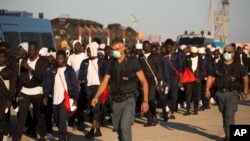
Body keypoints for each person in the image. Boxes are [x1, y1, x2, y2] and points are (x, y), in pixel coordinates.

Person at [91, 38, 149, 141]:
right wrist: (96, 96)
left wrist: (145, 101)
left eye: (117, 49)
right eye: (113, 50)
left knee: (125, 127)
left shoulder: (133, 62)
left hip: (129, 100)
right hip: (115, 101)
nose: (115, 52)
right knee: (118, 129)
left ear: (123, 48)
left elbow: (144, 81)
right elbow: (104, 81)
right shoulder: (111, 63)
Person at [205, 44, 249, 141]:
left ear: (233, 53)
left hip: (232, 94)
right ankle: (227, 134)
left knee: (229, 115)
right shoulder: (218, 65)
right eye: (225, 52)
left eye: (228, 52)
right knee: (224, 115)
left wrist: (245, 92)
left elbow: (245, 78)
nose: (226, 53)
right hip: (220, 94)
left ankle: (229, 136)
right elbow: (211, 77)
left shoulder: (238, 66)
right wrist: (207, 89)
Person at [43, 49, 79, 141]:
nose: (59, 60)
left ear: (65, 59)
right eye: (58, 59)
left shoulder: (69, 70)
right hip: (55, 98)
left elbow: (74, 85)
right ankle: (65, 134)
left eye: (61, 58)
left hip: (65, 98)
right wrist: (46, 95)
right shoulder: (53, 69)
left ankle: (61, 138)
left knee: (62, 120)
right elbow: (47, 83)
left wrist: (75, 99)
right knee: (57, 120)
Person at [15, 41, 47, 141]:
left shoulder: (42, 61)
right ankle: (18, 137)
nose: (31, 52)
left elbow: (41, 76)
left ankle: (42, 135)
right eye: (29, 50)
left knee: (39, 115)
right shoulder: (25, 59)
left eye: (33, 50)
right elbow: (22, 76)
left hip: (37, 91)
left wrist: (29, 68)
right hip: (25, 91)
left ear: (37, 50)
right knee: (22, 115)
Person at [78, 41, 107, 139]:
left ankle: (91, 131)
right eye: (87, 50)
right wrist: (78, 83)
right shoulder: (84, 62)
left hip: (98, 88)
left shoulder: (102, 62)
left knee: (95, 109)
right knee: (91, 109)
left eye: (89, 50)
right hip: (87, 88)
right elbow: (81, 75)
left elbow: (107, 75)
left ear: (94, 50)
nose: (88, 52)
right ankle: (98, 129)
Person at [138, 40, 162, 127]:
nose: (146, 48)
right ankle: (149, 118)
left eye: (148, 46)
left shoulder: (155, 57)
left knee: (151, 99)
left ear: (151, 47)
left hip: (152, 81)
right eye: (144, 46)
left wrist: (159, 82)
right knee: (144, 99)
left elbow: (159, 69)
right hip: (143, 81)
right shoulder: (140, 58)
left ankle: (154, 115)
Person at [67, 40, 88, 130]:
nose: (78, 47)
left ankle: (81, 121)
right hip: (73, 83)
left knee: (80, 103)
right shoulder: (71, 57)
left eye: (79, 45)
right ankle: (71, 119)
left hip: (82, 83)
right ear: (73, 47)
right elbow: (68, 69)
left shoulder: (85, 56)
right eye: (76, 45)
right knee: (73, 102)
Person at [0, 49, 16, 141]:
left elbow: (12, 86)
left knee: (3, 119)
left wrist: (10, 99)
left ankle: (4, 135)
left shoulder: (10, 71)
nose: (0, 59)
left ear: (5, 58)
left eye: (2, 57)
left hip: (5, 98)